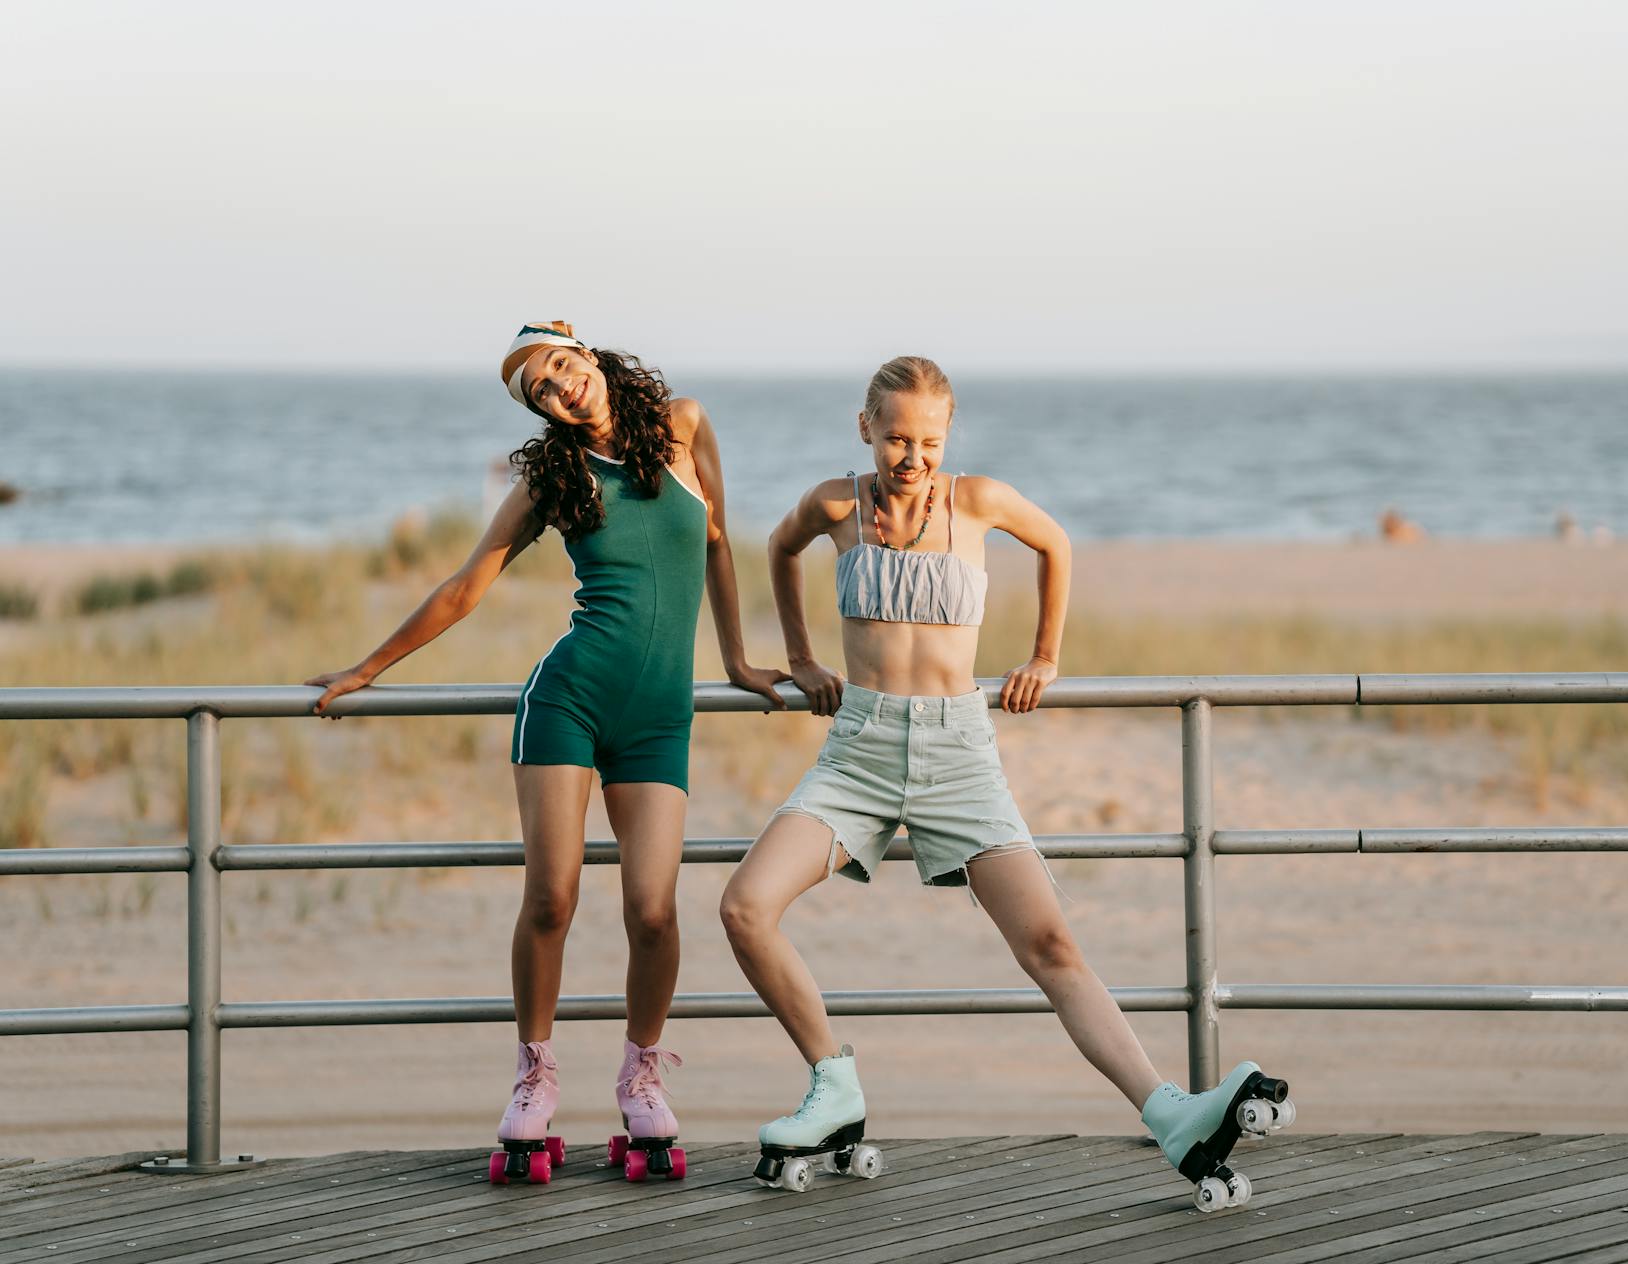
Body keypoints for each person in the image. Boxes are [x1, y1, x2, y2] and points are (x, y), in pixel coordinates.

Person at [718, 355, 1292, 1209]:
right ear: (865, 427)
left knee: (1051, 947)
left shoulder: (978, 498)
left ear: (947, 436)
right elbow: (778, 546)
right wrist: (798, 656)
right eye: (896, 437)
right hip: (861, 749)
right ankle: (832, 1084)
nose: (912, 456)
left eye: (929, 440)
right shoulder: (837, 503)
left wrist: (1046, 656)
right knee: (744, 907)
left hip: (958, 752)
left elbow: (1056, 543)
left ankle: (1169, 1111)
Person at [306, 322, 785, 1184]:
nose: (561, 388)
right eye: (541, 391)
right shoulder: (551, 479)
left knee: (653, 912)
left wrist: (737, 661)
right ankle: (534, 1074)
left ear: (591, 358)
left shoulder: (685, 424)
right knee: (551, 900)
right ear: (545, 412)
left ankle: (641, 1073)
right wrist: (365, 669)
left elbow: (718, 547)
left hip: (659, 719)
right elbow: (464, 586)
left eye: (563, 368)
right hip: (566, 702)